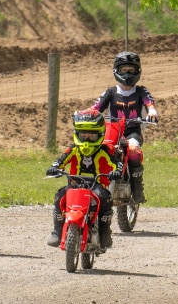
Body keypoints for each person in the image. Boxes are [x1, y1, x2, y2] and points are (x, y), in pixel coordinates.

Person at [79, 51, 158, 203]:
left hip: (132, 132)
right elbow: (96, 107)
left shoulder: (141, 91)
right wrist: (86, 113)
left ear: (138, 71)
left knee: (134, 151)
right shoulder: (111, 92)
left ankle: (137, 188)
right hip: (112, 131)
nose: (128, 74)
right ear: (116, 70)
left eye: (131, 70)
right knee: (97, 150)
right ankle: (93, 183)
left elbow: (149, 102)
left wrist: (152, 112)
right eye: (124, 70)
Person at [45, 111, 121, 249]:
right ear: (77, 133)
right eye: (83, 135)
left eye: (92, 135)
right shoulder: (73, 149)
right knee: (59, 197)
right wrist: (53, 168)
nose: (87, 139)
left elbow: (116, 163)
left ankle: (105, 233)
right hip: (75, 184)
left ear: (100, 134)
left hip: (96, 184)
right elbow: (60, 161)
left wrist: (117, 171)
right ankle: (57, 232)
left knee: (105, 199)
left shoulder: (104, 150)